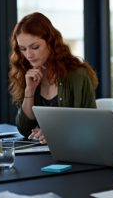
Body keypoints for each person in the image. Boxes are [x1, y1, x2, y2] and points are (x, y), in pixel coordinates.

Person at [9, 12, 98, 143]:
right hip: (39, 154)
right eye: (23, 49)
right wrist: (29, 92)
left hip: (74, 153)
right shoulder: (27, 74)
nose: (28, 55)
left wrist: (56, 132)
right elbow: (24, 129)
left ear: (50, 42)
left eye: (35, 47)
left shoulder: (78, 75)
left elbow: (91, 126)